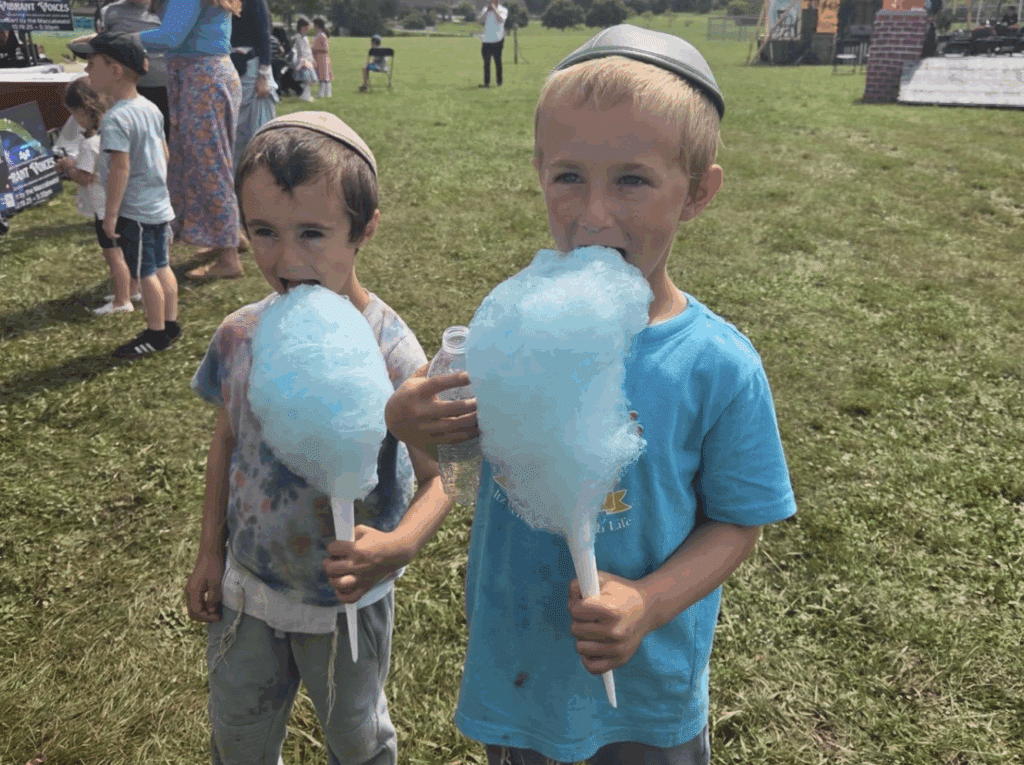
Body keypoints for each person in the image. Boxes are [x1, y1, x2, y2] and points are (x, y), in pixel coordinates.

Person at [383, 25, 797, 765]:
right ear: (539, 171)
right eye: (569, 176)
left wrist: (649, 600)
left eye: (632, 180)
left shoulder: (719, 363)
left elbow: (738, 524)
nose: (594, 213)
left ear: (699, 191)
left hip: (645, 692)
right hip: (523, 678)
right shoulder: (513, 327)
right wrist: (408, 420)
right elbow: (462, 444)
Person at [187, 111, 454, 765]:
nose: (285, 258)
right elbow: (226, 443)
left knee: (355, 735)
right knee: (240, 732)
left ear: (364, 230)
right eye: (263, 232)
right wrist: (208, 553)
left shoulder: (390, 347)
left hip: (346, 603)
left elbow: (439, 478)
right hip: (248, 588)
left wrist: (396, 545)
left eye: (312, 232)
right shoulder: (240, 333)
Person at [69, 32, 180, 358]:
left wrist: (112, 214)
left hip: (136, 211)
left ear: (115, 71)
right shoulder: (149, 107)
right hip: (158, 205)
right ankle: (171, 324)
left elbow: (120, 168)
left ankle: (156, 334)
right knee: (162, 266)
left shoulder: (116, 118)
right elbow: (164, 152)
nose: (87, 72)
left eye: (92, 65)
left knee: (145, 273)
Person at [138, 0, 245, 280]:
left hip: (201, 79)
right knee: (214, 161)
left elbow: (169, 36)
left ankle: (228, 257)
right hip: (206, 75)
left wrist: (117, 40)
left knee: (209, 165)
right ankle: (231, 236)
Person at [54, 78, 139, 315]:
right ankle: (133, 289)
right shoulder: (118, 134)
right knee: (127, 250)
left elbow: (83, 177)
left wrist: (66, 167)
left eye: (75, 115)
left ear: (83, 112)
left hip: (104, 210)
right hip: (125, 205)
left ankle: (121, 301)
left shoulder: (89, 144)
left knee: (113, 256)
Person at [96, 0, 170, 139]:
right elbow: (102, 48)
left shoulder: (170, 8)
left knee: (164, 140)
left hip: (164, 89)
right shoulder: (109, 11)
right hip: (126, 90)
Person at [230, 0, 277, 169]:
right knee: (234, 129)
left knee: (254, 129)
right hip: (230, 65)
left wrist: (263, 76)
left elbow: (265, 37)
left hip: (251, 68)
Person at [476, 0, 507, 88]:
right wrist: (486, 12)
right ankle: (486, 83)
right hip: (486, 40)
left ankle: (499, 82)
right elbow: (479, 20)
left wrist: (494, 10)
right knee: (486, 63)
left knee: (497, 62)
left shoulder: (503, 10)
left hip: (498, 39)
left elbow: (500, 20)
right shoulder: (486, 9)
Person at [291, 17, 316, 101]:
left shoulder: (305, 37)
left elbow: (308, 50)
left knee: (310, 79)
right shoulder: (298, 37)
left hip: (308, 60)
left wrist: (312, 60)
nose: (308, 28)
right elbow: (301, 51)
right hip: (303, 61)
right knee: (307, 79)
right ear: (302, 27)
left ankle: (306, 94)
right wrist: (304, 62)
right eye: (306, 26)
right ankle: (305, 95)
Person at [311, 16, 332, 99]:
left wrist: (313, 48)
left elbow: (325, 48)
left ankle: (324, 93)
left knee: (324, 76)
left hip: (321, 57)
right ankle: (325, 93)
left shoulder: (321, 35)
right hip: (319, 57)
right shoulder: (320, 34)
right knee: (322, 76)